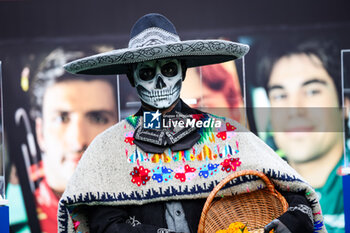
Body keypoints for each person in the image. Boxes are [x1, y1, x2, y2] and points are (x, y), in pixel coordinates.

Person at [58, 14, 326, 233]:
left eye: (170, 70)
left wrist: (287, 223)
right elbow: (104, 224)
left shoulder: (224, 132)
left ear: (183, 71)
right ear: (132, 78)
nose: (160, 83)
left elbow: (296, 194)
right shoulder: (109, 147)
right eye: (148, 72)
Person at [258, 39, 348, 232]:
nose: (294, 110)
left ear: (345, 105)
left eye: (312, 91)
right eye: (281, 96)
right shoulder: (253, 188)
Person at [29, 48, 119, 233]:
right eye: (62, 118)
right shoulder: (11, 209)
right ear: (40, 132)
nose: (78, 141)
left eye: (98, 118)